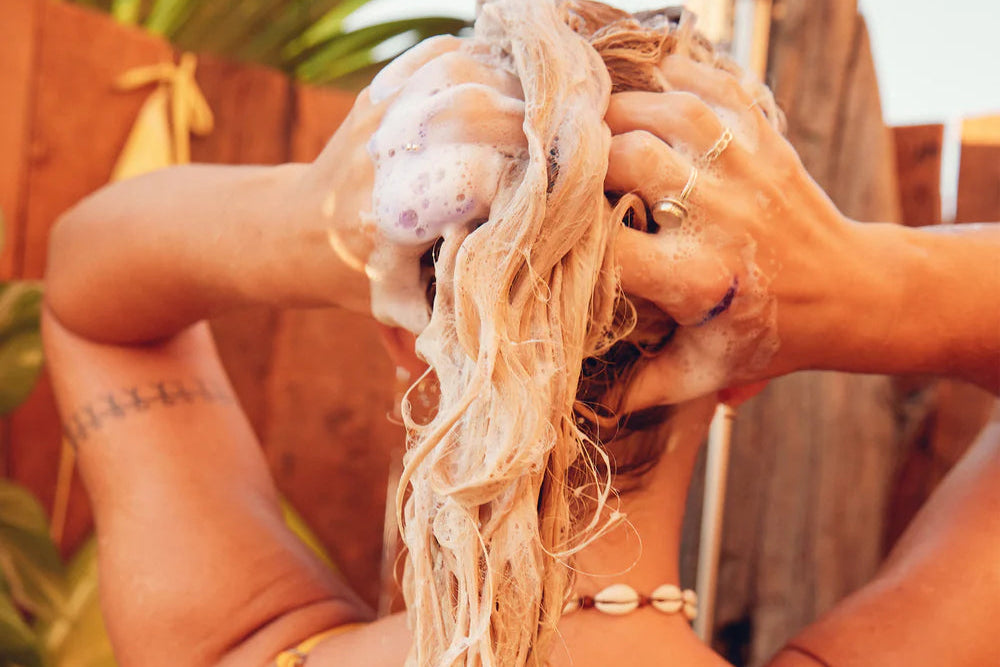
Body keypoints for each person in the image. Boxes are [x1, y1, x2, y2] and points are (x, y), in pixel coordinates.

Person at [42, 2, 1000, 667]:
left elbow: (90, 294)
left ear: (409, 336)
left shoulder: (239, 646)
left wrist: (314, 224)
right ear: (751, 367)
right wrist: (870, 284)